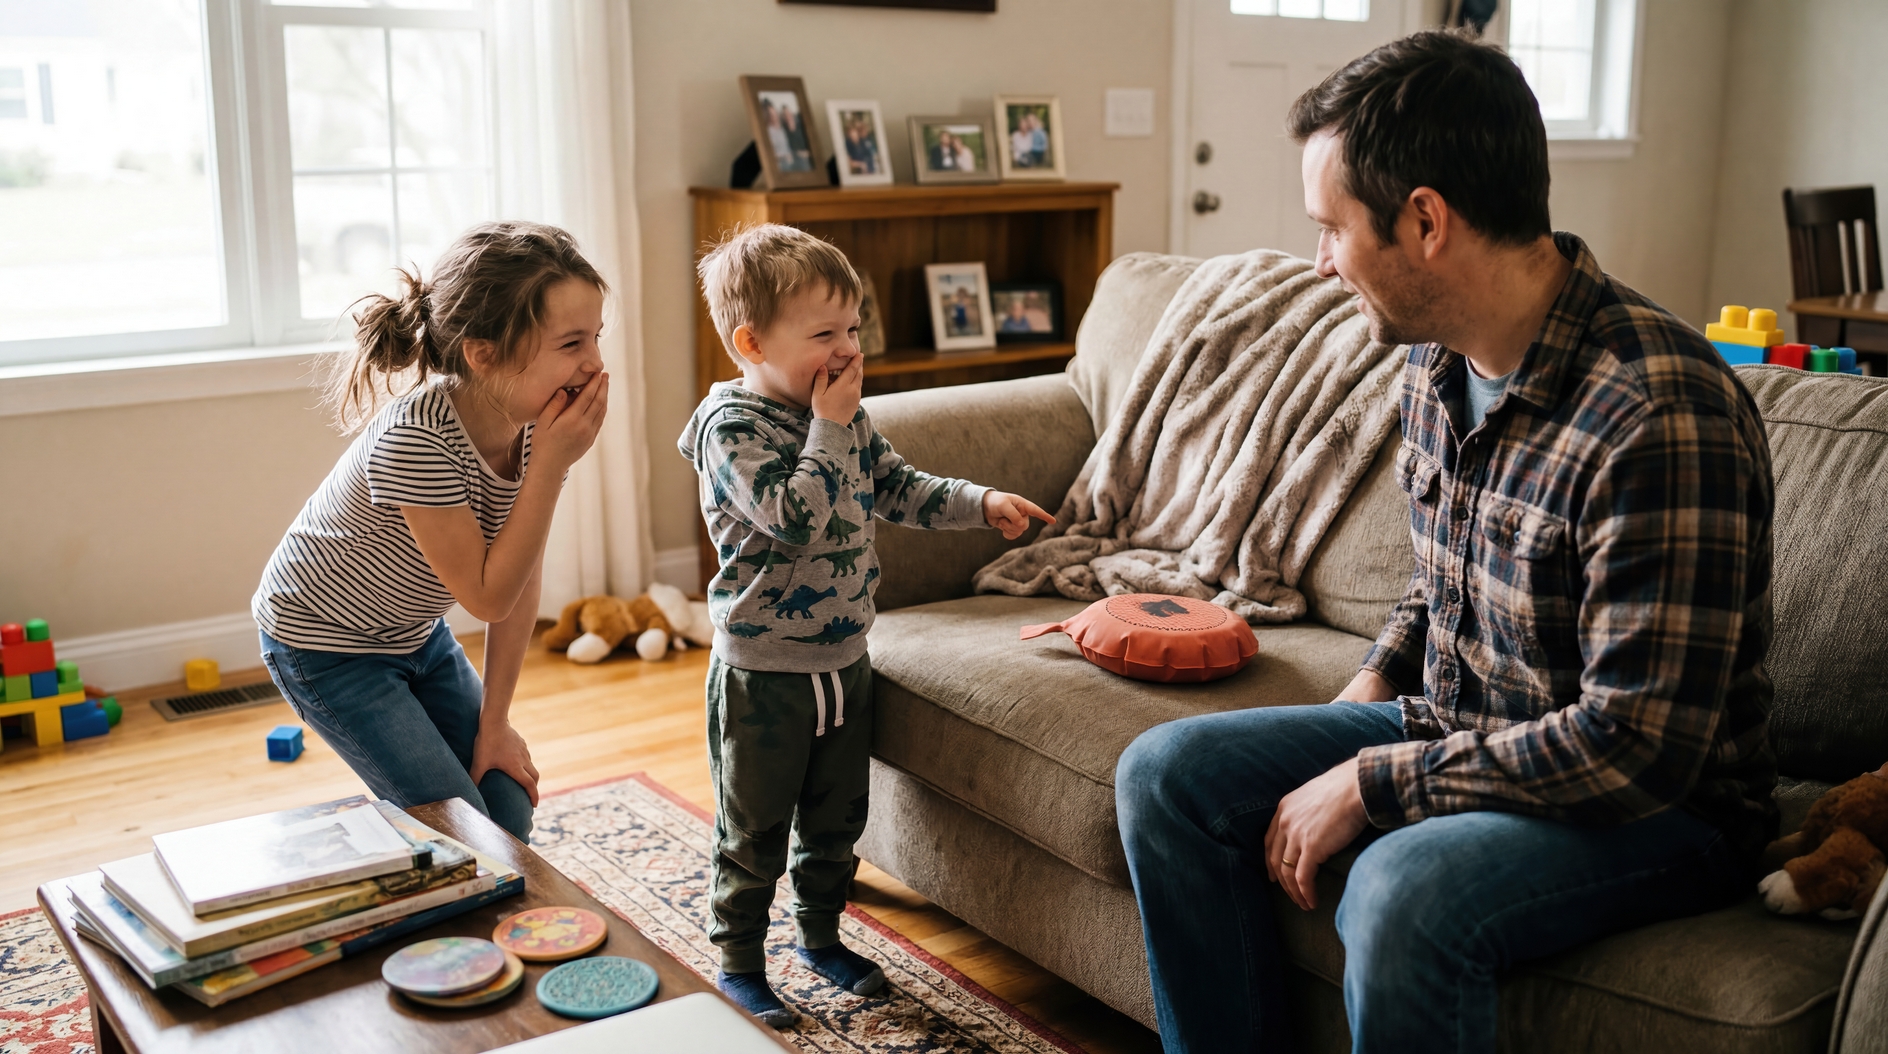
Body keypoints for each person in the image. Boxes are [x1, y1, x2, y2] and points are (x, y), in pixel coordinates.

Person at [1114, 29, 1776, 1054]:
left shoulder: (1656, 413)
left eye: (1330, 229)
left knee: (1400, 888)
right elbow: (1442, 580)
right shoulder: (1435, 359)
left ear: (1425, 220)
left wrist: (1371, 781)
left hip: (1659, 812)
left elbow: (1634, 748)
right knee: (1166, 775)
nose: (1319, 263)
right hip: (1459, 726)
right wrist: (1370, 690)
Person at [681, 224, 1054, 1028]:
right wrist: (828, 422)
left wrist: (979, 503)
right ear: (751, 342)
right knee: (752, 832)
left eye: (853, 329)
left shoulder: (844, 417)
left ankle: (820, 937)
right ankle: (741, 959)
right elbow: (795, 518)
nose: (849, 350)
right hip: (764, 675)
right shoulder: (732, 431)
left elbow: (899, 487)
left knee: (836, 817)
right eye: (825, 335)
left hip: (846, 663)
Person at [253, 221, 611, 845]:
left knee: (506, 811)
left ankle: (410, 824)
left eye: (597, 338)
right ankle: (367, 847)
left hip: (415, 636)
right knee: (463, 833)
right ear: (483, 355)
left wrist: (495, 723)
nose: (595, 363)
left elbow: (519, 580)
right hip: (325, 648)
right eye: (572, 343)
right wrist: (552, 467)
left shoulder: (533, 424)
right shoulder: (418, 438)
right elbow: (487, 597)